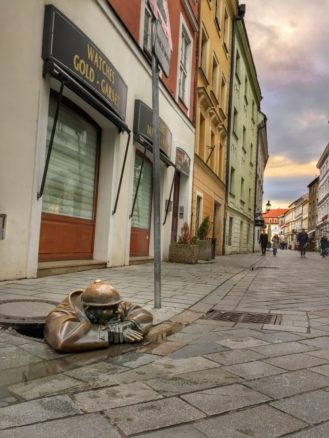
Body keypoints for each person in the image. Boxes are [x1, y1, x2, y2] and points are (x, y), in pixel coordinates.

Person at [44, 279, 153, 353]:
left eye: (117, 306)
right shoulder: (63, 312)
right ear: (90, 311)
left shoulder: (109, 304)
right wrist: (110, 332)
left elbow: (143, 313)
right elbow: (62, 337)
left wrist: (128, 323)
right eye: (111, 309)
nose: (118, 311)